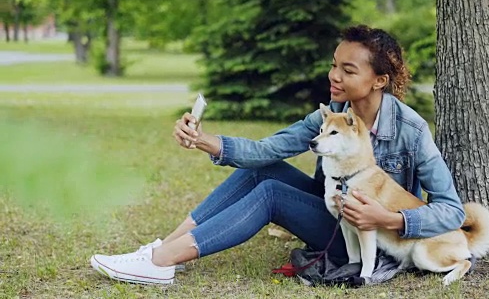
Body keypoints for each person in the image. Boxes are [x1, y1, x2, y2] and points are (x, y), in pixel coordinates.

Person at [90, 25, 465, 285]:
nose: (334, 75)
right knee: (261, 171)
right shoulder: (333, 110)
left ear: (379, 80)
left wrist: (390, 217)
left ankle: (161, 263)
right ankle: (162, 249)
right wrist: (206, 140)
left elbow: (452, 210)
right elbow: (270, 148)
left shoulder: (411, 129)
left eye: (347, 70)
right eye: (334, 64)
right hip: (334, 214)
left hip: (376, 239)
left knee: (271, 194)